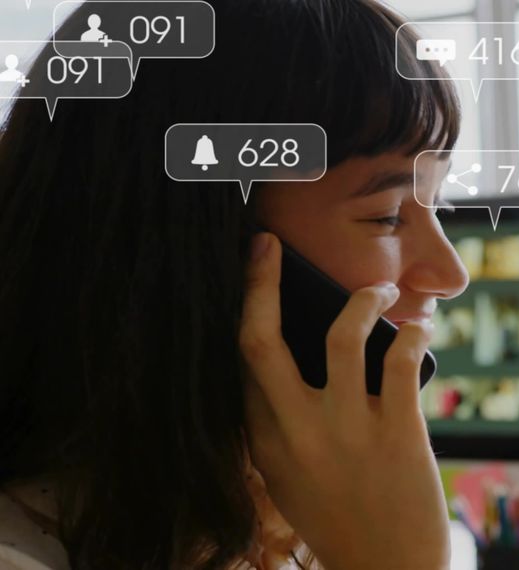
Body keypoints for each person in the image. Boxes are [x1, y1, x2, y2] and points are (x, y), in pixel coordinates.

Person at [0, 0, 469, 568]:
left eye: (437, 202)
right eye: (387, 215)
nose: (450, 275)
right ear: (202, 247)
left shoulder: (286, 524)